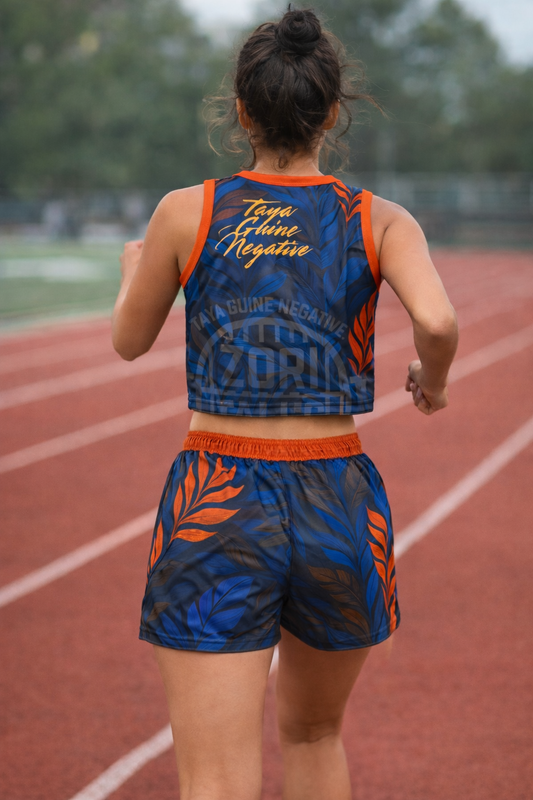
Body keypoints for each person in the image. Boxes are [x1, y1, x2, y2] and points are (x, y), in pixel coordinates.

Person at [112, 7, 458, 799]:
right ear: (331, 113)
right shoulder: (378, 219)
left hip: (219, 494)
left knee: (215, 778)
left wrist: (133, 274)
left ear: (240, 111)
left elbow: (128, 341)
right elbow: (437, 322)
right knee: (313, 732)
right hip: (337, 495)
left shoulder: (187, 210)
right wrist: (432, 384)